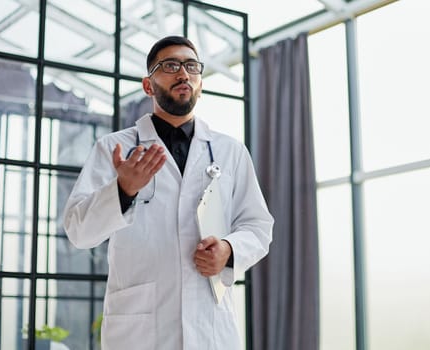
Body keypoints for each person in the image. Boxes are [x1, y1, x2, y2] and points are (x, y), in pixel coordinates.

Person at [63, 36, 274, 349]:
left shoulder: (231, 152)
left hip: (210, 326)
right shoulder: (114, 148)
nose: (183, 73)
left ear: (200, 83)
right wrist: (123, 190)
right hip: (140, 330)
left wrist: (229, 250)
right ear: (148, 86)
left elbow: (258, 226)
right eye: (171, 65)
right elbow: (78, 231)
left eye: (191, 66)